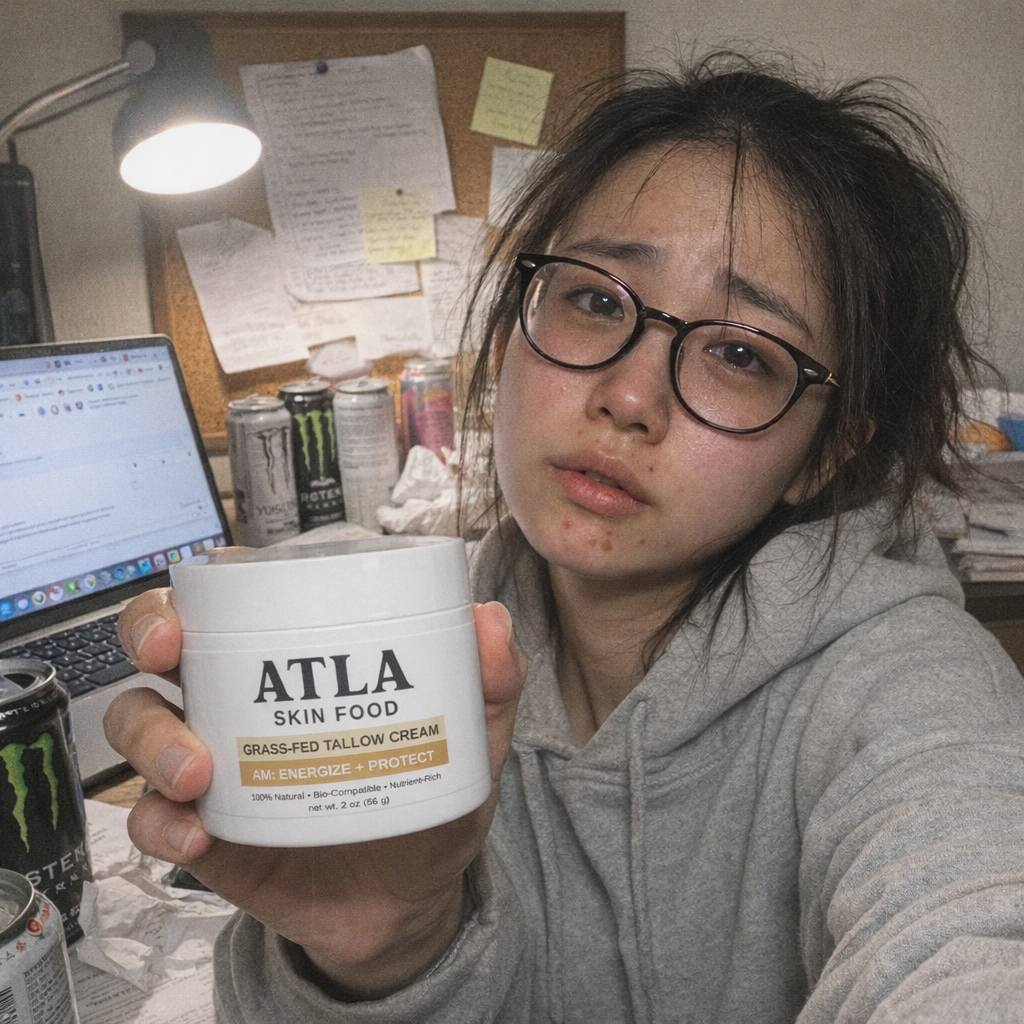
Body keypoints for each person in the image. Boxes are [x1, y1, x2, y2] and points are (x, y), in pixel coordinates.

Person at [105, 52, 1024, 1023]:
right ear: (512, 332)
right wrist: (375, 957)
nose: (629, 396)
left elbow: (972, 939)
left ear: (824, 453)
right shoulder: (412, 670)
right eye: (595, 300)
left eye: (739, 354)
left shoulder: (907, 687)